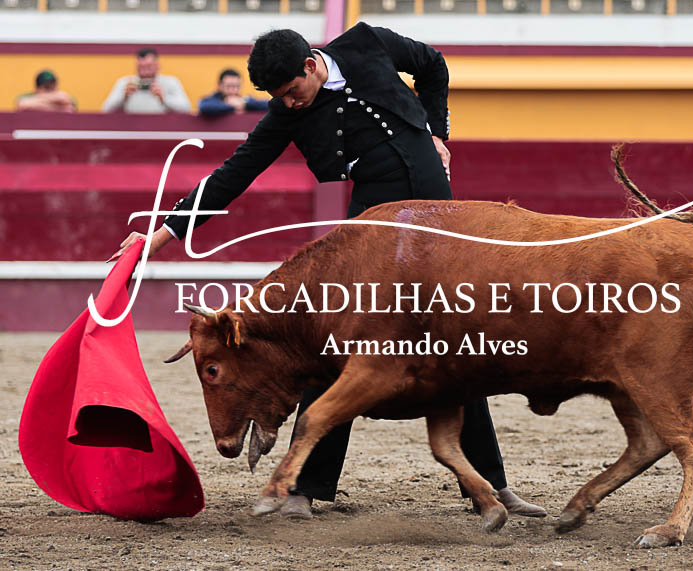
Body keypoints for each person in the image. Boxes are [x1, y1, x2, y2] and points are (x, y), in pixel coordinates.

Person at [118, 23, 546, 522]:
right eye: (280, 98)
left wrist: (436, 131)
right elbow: (233, 174)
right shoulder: (286, 112)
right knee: (335, 348)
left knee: (455, 347)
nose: (289, 103)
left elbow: (432, 64)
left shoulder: (368, 43)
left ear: (310, 64)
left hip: (439, 220)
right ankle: (303, 487)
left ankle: (491, 486)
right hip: (372, 229)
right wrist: (159, 237)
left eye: (292, 91)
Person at [102, 47, 191, 114]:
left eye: (148, 67)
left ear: (158, 66)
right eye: (140, 68)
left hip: (162, 128)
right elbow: (106, 109)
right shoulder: (126, 82)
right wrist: (123, 97)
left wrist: (163, 98)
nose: (144, 72)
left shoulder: (170, 82)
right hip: (132, 128)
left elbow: (186, 108)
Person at [198, 69, 270, 117]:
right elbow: (204, 106)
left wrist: (245, 104)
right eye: (229, 86)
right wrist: (231, 106)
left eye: (237, 86)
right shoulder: (213, 100)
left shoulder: (244, 101)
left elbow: (269, 105)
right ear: (219, 86)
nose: (234, 90)